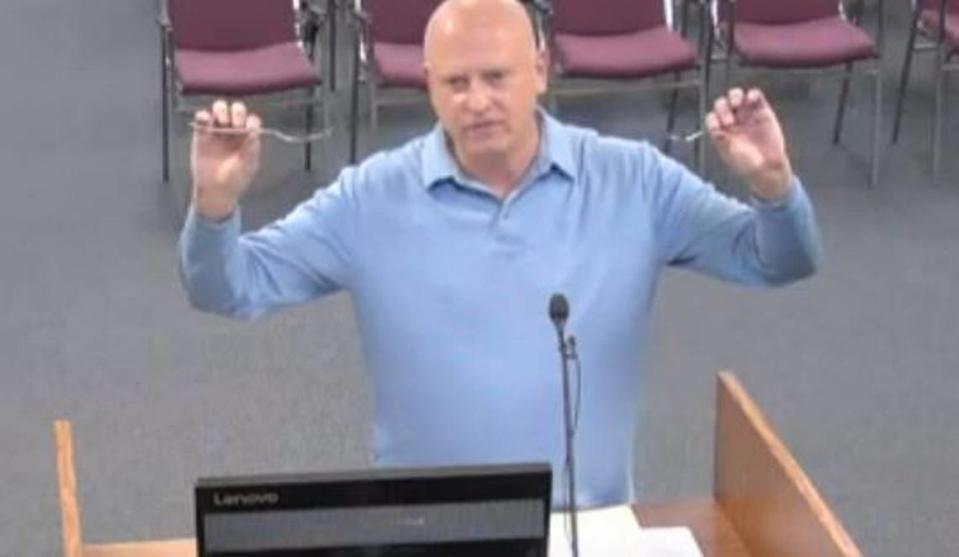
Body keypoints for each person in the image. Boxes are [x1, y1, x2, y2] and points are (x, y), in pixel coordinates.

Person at [179, 0, 821, 508]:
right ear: (428, 86)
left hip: (586, 527)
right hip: (425, 526)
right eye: (456, 82)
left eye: (496, 77)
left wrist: (772, 186)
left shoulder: (634, 182)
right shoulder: (369, 199)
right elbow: (229, 288)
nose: (477, 101)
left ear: (540, 68)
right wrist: (214, 205)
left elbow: (779, 260)